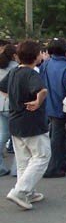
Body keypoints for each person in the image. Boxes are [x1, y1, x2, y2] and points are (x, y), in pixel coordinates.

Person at [0, 41, 50, 210]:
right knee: (42, 156)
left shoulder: (14, 71)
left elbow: (2, 86)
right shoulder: (31, 74)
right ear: (36, 56)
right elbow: (42, 90)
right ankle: (20, 191)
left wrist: (13, 98)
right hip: (32, 121)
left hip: (15, 119)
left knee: (24, 160)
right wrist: (38, 101)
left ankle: (27, 192)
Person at [40, 38, 66, 178]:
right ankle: (52, 167)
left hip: (48, 103)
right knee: (56, 136)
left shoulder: (46, 64)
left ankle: (62, 162)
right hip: (61, 104)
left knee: (58, 134)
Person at [0, 43, 18, 176]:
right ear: (14, 55)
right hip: (12, 105)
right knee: (18, 138)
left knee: (3, 135)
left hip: (0, 105)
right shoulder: (15, 68)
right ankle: (17, 169)